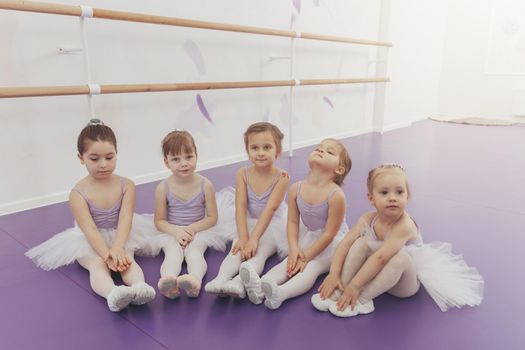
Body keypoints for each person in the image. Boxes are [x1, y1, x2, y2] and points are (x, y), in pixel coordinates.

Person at [312, 163, 484, 317]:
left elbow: (381, 258)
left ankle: (361, 299)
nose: (393, 197)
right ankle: (341, 287)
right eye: (384, 192)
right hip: (374, 274)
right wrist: (334, 274)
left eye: (399, 192)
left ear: (407, 196)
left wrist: (356, 286)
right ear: (371, 198)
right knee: (360, 242)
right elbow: (346, 242)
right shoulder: (368, 218)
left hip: (403, 283)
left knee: (399, 258)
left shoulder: (404, 225)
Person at [25, 119, 156, 312]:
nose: (103, 164)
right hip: (88, 239)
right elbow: (89, 228)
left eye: (109, 157)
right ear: (81, 157)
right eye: (94, 159)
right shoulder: (78, 193)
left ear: (116, 154)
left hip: (120, 233)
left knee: (126, 259)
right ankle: (112, 293)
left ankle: (139, 286)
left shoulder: (126, 185)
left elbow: (126, 217)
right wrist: (106, 254)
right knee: (97, 265)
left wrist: (118, 247)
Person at [239, 138, 352, 309]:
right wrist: (294, 249)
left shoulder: (336, 195)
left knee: (312, 266)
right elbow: (292, 222)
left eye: (329, 152)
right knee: (289, 262)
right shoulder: (296, 188)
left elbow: (330, 233)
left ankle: (281, 294)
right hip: (309, 235)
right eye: (319, 148)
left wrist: (307, 255)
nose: (321, 150)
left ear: (339, 169)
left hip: (334, 244)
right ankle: (261, 285)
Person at [205, 122, 289, 300]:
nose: (260, 152)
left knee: (261, 252)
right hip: (248, 223)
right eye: (254, 147)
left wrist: (254, 239)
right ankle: (221, 279)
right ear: (247, 150)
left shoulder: (281, 177)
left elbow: (270, 208)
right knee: (236, 249)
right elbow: (241, 206)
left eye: (267, 147)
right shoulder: (242, 173)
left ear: (278, 151)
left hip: (272, 224)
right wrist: (244, 237)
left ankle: (238, 283)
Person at [153, 130, 234, 299]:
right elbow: (159, 221)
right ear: (166, 162)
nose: (183, 163)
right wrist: (176, 231)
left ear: (196, 156)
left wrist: (192, 229)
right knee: (172, 252)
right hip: (173, 229)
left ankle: (194, 280)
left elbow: (212, 217)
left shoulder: (206, 185)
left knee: (195, 251)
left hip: (199, 228)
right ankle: (169, 281)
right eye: (176, 159)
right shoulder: (163, 188)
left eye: (188, 157)